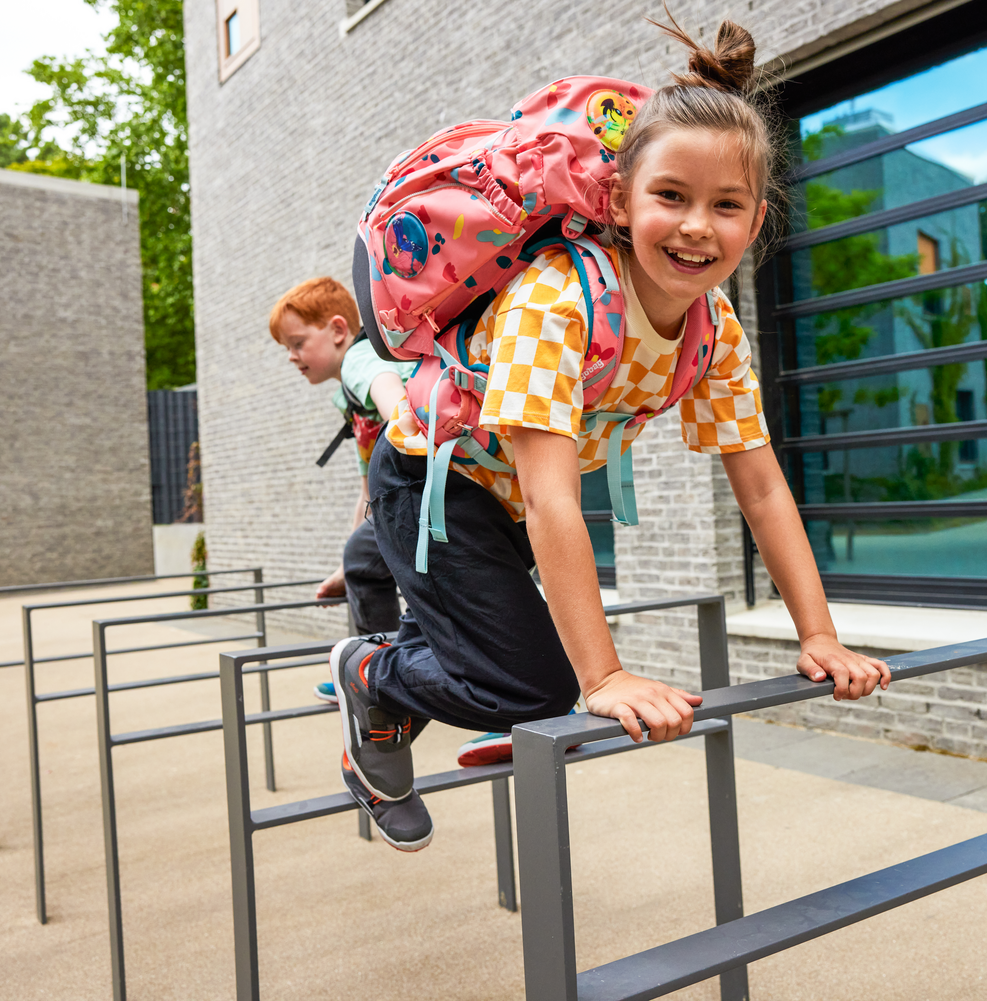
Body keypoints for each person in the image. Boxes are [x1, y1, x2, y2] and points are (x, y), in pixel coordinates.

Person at [331, 17, 891, 852]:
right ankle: (372, 676)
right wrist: (604, 675)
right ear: (621, 199)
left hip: (505, 497)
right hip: (433, 482)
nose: (698, 226)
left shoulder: (716, 332)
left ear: (757, 218)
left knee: (504, 660)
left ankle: (408, 639)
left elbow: (765, 485)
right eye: (672, 196)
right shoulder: (556, 302)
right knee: (529, 683)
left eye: (725, 206)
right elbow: (558, 498)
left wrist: (818, 633)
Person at [267, 278, 415, 708]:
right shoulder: (349, 399)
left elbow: (388, 386)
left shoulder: (359, 359)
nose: (292, 356)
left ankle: (373, 673)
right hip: (406, 490)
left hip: (429, 480)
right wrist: (348, 563)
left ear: (336, 329)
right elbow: (370, 490)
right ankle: (370, 670)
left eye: (297, 343)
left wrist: (404, 423)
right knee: (365, 565)